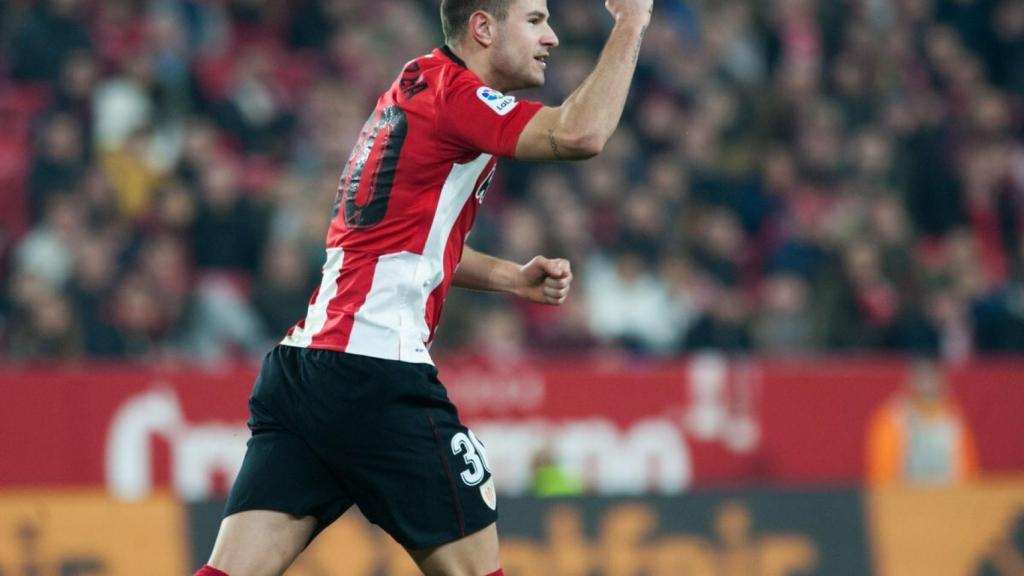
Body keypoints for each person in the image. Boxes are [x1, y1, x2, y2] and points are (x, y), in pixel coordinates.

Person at [195, 0, 653, 573]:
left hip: (305, 367)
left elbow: (402, 243)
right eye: (535, 20)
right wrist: (632, 22)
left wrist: (511, 277)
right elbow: (580, 133)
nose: (553, 37)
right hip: (375, 370)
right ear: (483, 27)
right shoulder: (457, 97)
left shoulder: (415, 83)